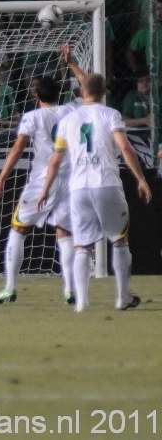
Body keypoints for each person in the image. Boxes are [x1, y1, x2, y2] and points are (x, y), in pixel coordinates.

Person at [38, 73, 152, 313]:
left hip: (78, 188)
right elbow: (124, 146)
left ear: (81, 93)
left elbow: (55, 160)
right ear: (104, 93)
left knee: (82, 246)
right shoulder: (111, 114)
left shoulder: (68, 120)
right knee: (119, 240)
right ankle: (122, 297)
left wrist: (45, 190)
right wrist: (141, 179)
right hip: (106, 182)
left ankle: (82, 303)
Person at [0, 46, 87, 305]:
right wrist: (71, 63)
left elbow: (17, 149)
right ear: (59, 93)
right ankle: (69, 289)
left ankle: (10, 287)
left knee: (18, 230)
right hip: (69, 179)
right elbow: (89, 91)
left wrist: (0, 180)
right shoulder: (71, 110)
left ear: (35, 94)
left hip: (42, 179)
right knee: (64, 233)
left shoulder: (32, 117)